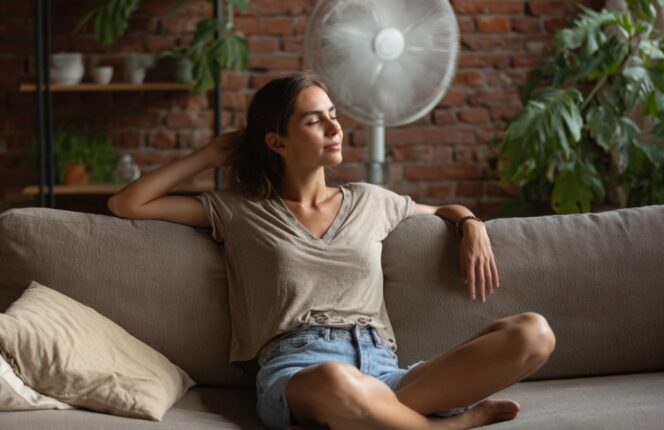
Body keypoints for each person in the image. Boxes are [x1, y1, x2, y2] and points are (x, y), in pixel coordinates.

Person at [108, 71, 556, 430]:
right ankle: (440, 425)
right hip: (300, 371)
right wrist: (209, 155)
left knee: (533, 333)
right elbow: (127, 204)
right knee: (335, 380)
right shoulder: (238, 209)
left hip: (383, 369)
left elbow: (443, 210)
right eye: (313, 120)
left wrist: (471, 225)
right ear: (277, 142)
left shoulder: (371, 200)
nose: (335, 127)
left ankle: (375, 418)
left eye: (333, 114)